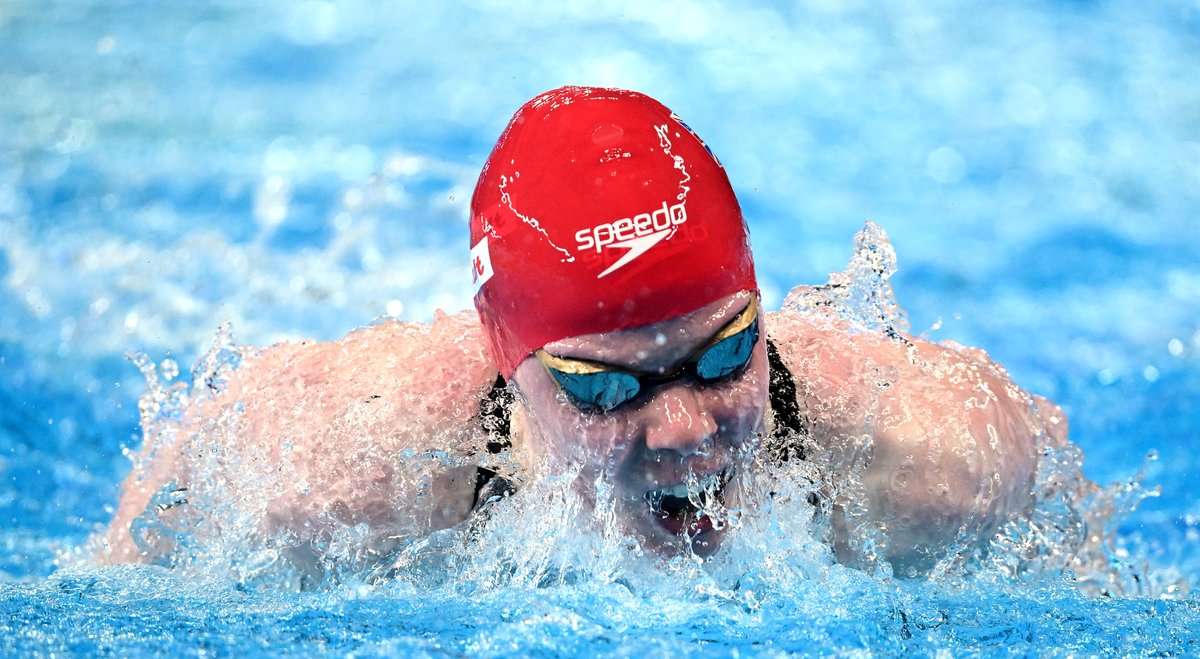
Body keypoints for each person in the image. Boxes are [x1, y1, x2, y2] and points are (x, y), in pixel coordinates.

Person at [94, 86, 1069, 579]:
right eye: (605, 387)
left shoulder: (936, 462)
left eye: (725, 350)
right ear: (508, 367)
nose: (687, 428)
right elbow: (131, 561)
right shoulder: (332, 477)